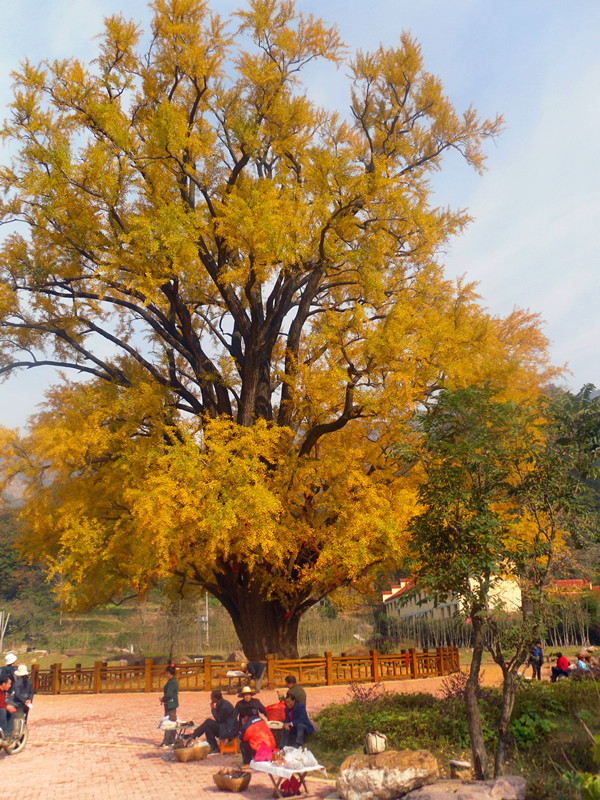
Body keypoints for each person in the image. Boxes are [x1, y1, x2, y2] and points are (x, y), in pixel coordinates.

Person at [188, 689, 238, 754]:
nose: (211, 699)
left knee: (208, 722)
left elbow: (219, 719)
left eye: (211, 697)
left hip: (228, 729)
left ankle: (194, 735)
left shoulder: (225, 706)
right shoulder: (220, 703)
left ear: (215, 698)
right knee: (208, 728)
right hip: (224, 726)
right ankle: (214, 747)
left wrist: (213, 709)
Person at [159, 665, 179, 747]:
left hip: (171, 704)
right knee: (171, 721)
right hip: (170, 703)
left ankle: (167, 741)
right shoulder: (172, 681)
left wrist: (163, 699)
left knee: (168, 722)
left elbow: (169, 694)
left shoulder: (172, 682)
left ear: (168, 673)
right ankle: (171, 739)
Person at [0, 674, 16, 740]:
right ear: (3, 684)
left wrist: (8, 707)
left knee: (10, 711)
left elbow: (3, 702)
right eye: (9, 684)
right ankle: (4, 732)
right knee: (2, 711)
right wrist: (6, 707)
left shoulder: (4, 692)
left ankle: (9, 733)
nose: (10, 686)